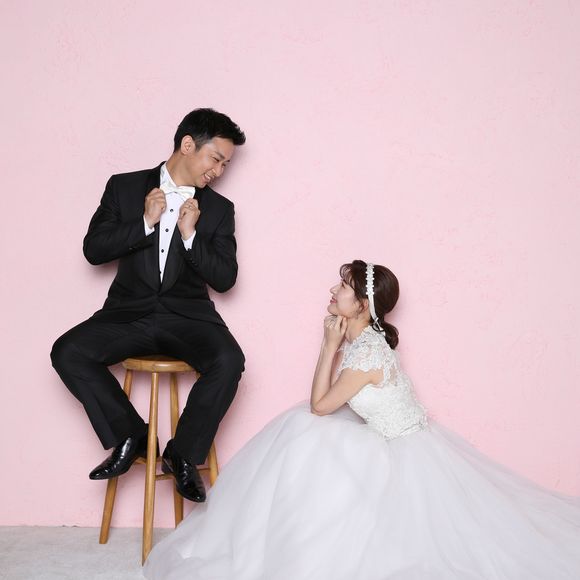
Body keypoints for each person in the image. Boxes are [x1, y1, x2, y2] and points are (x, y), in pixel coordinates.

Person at [143, 260, 580, 579]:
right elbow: (321, 405)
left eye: (344, 287)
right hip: (388, 439)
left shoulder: (367, 352)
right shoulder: (362, 340)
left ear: (363, 305)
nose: (333, 291)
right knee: (304, 432)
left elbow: (319, 405)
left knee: (305, 429)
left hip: (403, 453)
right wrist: (333, 345)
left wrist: (326, 347)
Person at [51, 108, 246, 503]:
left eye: (226, 164)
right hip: (128, 314)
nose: (219, 171)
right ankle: (133, 435)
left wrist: (191, 236)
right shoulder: (123, 187)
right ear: (188, 145)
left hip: (188, 318)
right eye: (216, 159)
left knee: (229, 361)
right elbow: (93, 250)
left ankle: (182, 454)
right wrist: (143, 222)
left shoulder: (220, 210)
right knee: (68, 352)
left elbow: (225, 279)